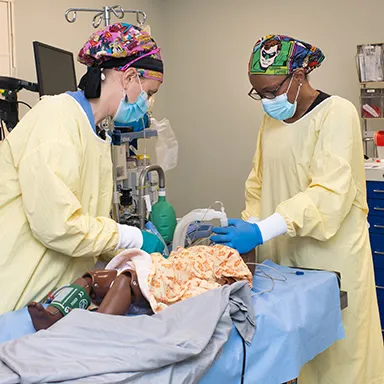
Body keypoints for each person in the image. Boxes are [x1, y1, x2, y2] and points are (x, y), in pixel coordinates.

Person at [212, 35, 384, 383]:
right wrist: (248, 227)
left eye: (272, 91)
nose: (266, 100)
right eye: (259, 94)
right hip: (284, 259)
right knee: (295, 359)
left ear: (300, 75)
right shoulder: (273, 120)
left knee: (338, 361)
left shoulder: (338, 113)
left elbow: (328, 193)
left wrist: (263, 229)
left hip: (331, 260)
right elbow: (259, 183)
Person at [0, 23, 165, 314]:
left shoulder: (98, 135)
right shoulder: (56, 118)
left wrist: (128, 251)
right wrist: (132, 237)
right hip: (17, 296)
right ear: (128, 77)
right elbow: (59, 225)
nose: (147, 105)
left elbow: (88, 224)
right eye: (148, 93)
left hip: (54, 297)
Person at [27, 245, 252, 331]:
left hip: (161, 277)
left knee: (128, 280)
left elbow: (227, 288)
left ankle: (94, 329)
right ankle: (53, 315)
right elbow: (177, 258)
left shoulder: (229, 258)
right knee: (93, 278)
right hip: (159, 265)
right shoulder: (207, 249)